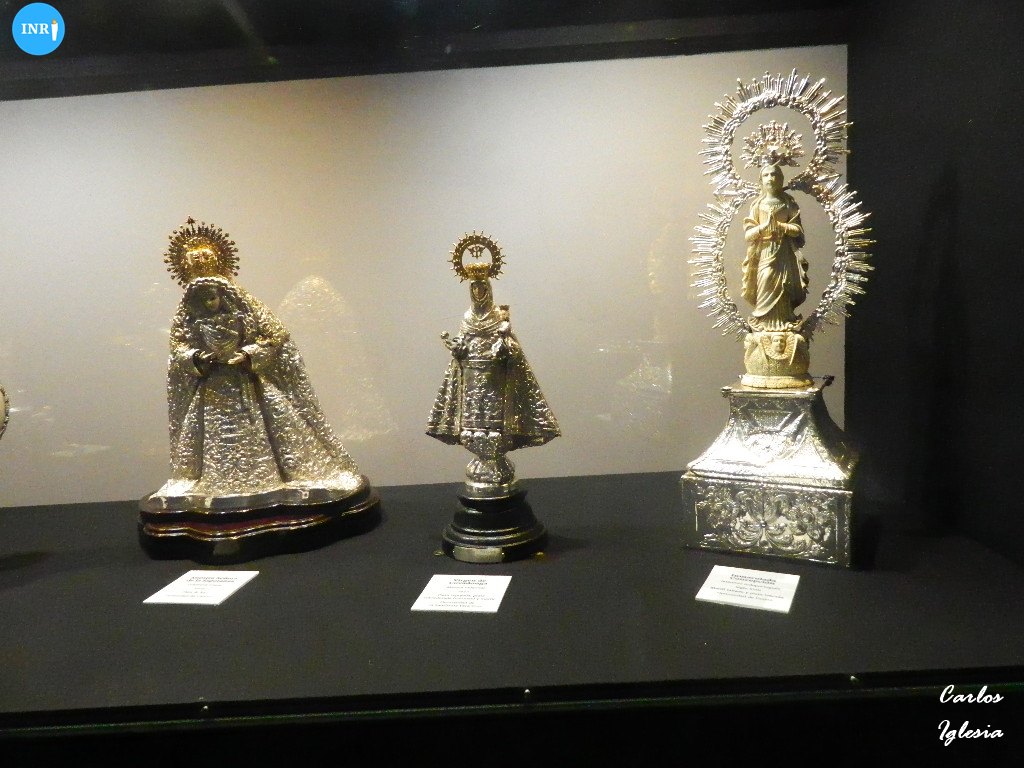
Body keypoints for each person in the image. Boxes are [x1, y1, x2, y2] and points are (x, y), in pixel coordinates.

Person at [152, 274, 364, 509]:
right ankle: (219, 482)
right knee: (212, 432)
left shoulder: (242, 313)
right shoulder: (191, 321)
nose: (209, 304)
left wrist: (248, 355)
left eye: (212, 297)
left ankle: (270, 478)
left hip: (245, 382)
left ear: (223, 294)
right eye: (204, 300)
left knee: (267, 426)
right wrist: (197, 358)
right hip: (213, 389)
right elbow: (178, 349)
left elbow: (275, 337)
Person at [742, 164, 809, 330]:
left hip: (784, 254)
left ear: (781, 179)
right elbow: (748, 235)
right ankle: (764, 321)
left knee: (784, 285)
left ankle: (784, 320)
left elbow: (798, 230)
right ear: (760, 180)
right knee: (766, 278)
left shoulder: (788, 203)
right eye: (766, 175)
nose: (770, 178)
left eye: (774, 175)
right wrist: (763, 228)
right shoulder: (757, 205)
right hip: (764, 252)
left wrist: (781, 226)